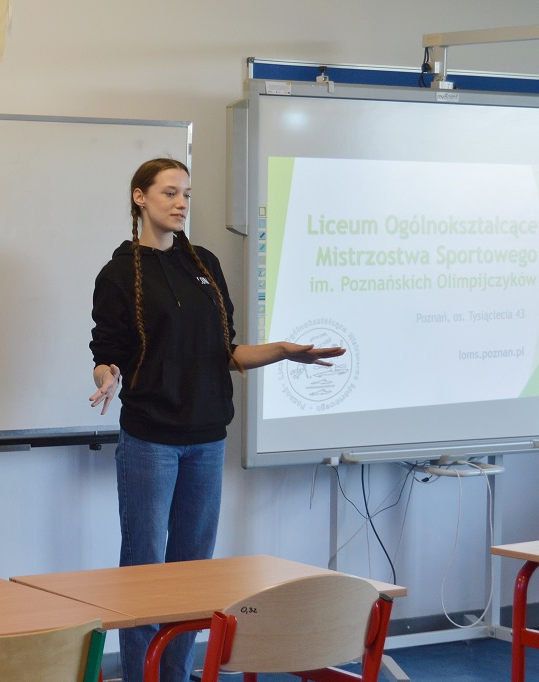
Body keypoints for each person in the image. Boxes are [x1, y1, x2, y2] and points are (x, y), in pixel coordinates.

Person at [88, 158, 345, 682]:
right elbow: (106, 351)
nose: (181, 202)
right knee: (144, 571)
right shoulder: (117, 274)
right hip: (150, 441)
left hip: (207, 440)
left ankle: (177, 674)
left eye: (186, 193)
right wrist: (107, 375)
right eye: (169, 192)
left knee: (193, 575)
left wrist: (281, 351)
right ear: (140, 197)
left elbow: (225, 352)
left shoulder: (203, 263)